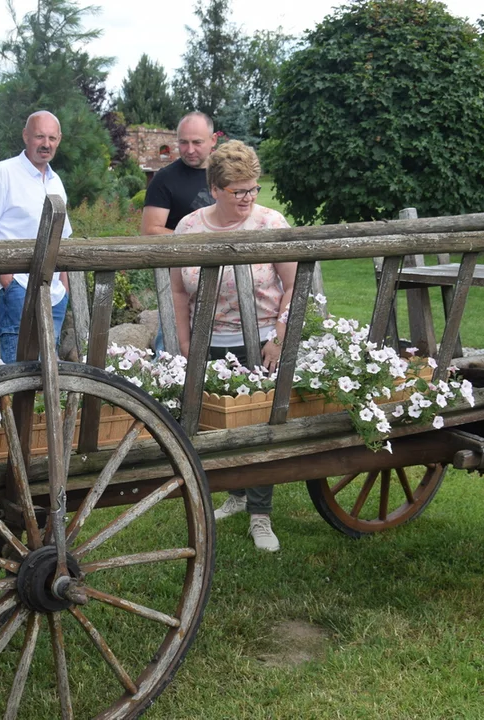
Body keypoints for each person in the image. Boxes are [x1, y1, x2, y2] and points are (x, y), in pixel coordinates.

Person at [170, 140, 296, 553]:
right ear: (216, 189)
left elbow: (294, 285)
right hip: (209, 342)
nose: (247, 197)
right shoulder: (189, 228)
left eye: (252, 189)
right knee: (214, 426)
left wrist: (279, 337)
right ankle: (236, 495)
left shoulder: (269, 223)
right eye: (238, 190)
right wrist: (186, 343)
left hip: (260, 341)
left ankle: (260, 515)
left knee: (259, 429)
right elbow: (178, 292)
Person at [0, 110, 71, 361]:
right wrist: (9, 281)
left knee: (46, 377)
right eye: (39, 136)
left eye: (52, 138)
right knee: (18, 373)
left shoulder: (56, 182)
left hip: (54, 294)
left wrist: (63, 287)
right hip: (18, 291)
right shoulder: (2, 174)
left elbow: (63, 239)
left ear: (59, 140)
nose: (46, 144)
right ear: (26, 136)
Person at [141, 111, 217, 353]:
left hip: (225, 281)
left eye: (197, 142)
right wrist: (197, 241)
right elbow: (149, 230)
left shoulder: (225, 175)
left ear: (213, 140)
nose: (190, 149)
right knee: (171, 348)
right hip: (179, 282)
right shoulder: (164, 179)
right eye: (183, 142)